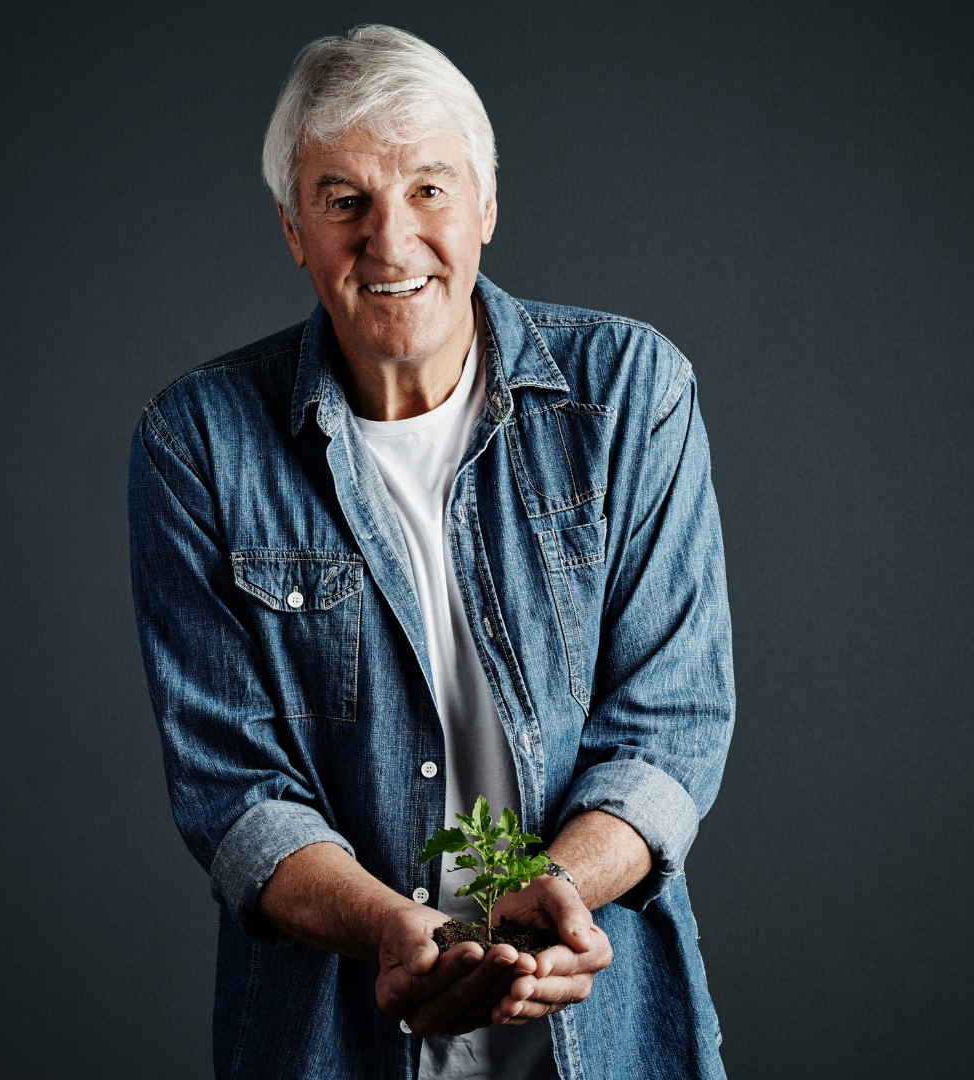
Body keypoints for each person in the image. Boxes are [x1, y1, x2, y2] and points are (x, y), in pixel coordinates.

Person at [129, 24, 734, 1080]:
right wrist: (389, 928)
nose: (392, 242)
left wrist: (557, 891)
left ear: (489, 205)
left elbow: (672, 724)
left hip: (609, 1028)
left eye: (429, 190)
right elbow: (234, 790)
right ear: (292, 227)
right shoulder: (199, 443)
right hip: (327, 1038)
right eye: (344, 200)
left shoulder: (632, 397)